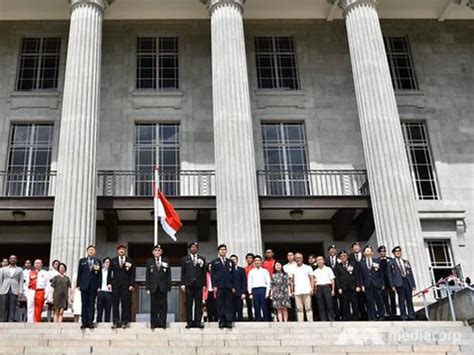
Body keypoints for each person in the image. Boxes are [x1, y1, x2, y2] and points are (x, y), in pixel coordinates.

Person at [180, 242, 206, 328]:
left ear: (197, 248)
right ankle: (190, 322)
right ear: (189, 249)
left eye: (195, 247)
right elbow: (183, 272)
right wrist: (183, 284)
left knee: (198, 303)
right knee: (189, 303)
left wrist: (204, 284)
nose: (193, 248)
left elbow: (203, 273)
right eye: (192, 247)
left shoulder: (202, 258)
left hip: (198, 283)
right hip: (188, 283)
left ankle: (198, 321)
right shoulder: (185, 259)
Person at [109, 243, 135, 329]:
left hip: (126, 286)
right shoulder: (113, 261)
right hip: (115, 286)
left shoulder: (129, 261)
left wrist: (131, 284)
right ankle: (115, 322)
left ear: (125, 251)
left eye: (123, 249)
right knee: (115, 304)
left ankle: (124, 321)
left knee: (125, 304)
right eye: (120, 249)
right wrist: (109, 283)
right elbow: (110, 273)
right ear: (117, 251)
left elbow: (132, 274)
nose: (121, 250)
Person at [146, 245, 171, 329]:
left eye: (159, 250)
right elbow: (147, 276)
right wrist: (147, 287)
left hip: (163, 287)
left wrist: (169, 286)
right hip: (153, 287)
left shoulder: (166, 261)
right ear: (153, 252)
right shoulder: (149, 261)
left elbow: (168, 275)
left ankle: (162, 323)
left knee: (163, 306)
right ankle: (154, 323)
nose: (157, 252)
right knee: (154, 306)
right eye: (155, 250)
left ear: (161, 252)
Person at [76, 245, 102, 329]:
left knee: (91, 303)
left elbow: (99, 275)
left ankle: (90, 321)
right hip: (84, 285)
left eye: (93, 250)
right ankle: (84, 322)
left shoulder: (98, 261)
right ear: (87, 251)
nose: (91, 251)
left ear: (95, 252)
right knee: (84, 304)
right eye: (90, 250)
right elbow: (79, 273)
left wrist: (99, 286)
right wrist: (78, 284)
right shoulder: (82, 261)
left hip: (93, 286)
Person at [388, 246, 416, 321]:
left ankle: (411, 315)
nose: (398, 253)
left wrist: (413, 284)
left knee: (409, 299)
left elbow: (410, 274)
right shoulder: (391, 263)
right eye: (396, 252)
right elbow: (390, 275)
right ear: (394, 253)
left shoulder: (406, 262)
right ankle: (403, 316)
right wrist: (392, 285)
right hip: (398, 283)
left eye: (399, 251)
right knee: (401, 299)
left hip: (407, 281)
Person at [211, 244, 234, 329]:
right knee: (220, 304)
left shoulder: (230, 262)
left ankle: (228, 321)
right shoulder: (215, 262)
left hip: (228, 286)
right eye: (221, 250)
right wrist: (214, 285)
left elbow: (233, 274)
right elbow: (212, 275)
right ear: (218, 251)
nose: (223, 251)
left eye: (224, 250)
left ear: (226, 251)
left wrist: (233, 286)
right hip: (219, 286)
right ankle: (221, 320)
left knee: (228, 304)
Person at [359, 245, 385, 321]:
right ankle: (372, 317)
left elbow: (381, 273)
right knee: (369, 302)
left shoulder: (377, 261)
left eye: (369, 250)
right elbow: (360, 275)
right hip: (367, 285)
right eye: (366, 250)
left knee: (379, 301)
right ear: (364, 253)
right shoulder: (361, 263)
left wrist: (382, 283)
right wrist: (362, 285)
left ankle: (381, 317)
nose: (367, 252)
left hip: (377, 284)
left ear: (372, 252)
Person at [334, 250, 361, 320]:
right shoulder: (337, 266)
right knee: (345, 305)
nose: (343, 257)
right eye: (341, 256)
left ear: (347, 256)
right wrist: (339, 288)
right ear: (339, 258)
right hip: (344, 289)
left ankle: (356, 319)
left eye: (345, 256)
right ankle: (347, 319)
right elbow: (337, 278)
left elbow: (357, 275)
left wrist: (358, 285)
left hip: (353, 287)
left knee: (355, 304)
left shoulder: (352, 264)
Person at [290, 253, 314, 322]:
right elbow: (291, 281)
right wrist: (292, 291)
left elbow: (311, 278)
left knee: (308, 307)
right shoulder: (293, 269)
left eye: (299, 258)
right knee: (299, 308)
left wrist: (312, 288)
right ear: (295, 259)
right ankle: (301, 323)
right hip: (297, 291)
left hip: (307, 290)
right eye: (297, 258)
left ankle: (310, 322)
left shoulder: (308, 267)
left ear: (302, 258)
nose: (298, 259)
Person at [247, 255, 271, 321]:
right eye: (256, 261)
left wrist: (267, 293)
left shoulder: (265, 271)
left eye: (259, 260)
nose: (257, 262)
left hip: (263, 289)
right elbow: (249, 283)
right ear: (254, 262)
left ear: (261, 262)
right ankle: (258, 320)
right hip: (254, 290)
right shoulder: (251, 271)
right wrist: (250, 293)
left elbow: (268, 282)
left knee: (264, 306)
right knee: (256, 306)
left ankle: (266, 320)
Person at [0, 255, 23, 322]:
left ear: (16, 260)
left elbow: (21, 281)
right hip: (4, 289)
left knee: (13, 306)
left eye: (14, 258)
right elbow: (1, 280)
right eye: (11, 258)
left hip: (15, 289)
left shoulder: (20, 269)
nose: (13, 260)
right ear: (9, 260)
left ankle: (11, 320)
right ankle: (3, 320)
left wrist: (20, 291)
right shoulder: (3, 269)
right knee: (4, 306)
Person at [313, 256, 336, 321]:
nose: (319, 261)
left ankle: (332, 320)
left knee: (329, 305)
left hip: (327, 287)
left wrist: (333, 290)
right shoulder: (315, 271)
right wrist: (315, 290)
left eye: (320, 260)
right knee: (321, 306)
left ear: (323, 261)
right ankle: (323, 321)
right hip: (319, 288)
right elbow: (315, 282)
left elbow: (332, 280)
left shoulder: (328, 269)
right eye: (317, 260)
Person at [378, 245, 396, 319]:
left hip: (390, 281)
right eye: (381, 251)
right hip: (382, 281)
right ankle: (387, 311)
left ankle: (393, 312)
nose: (383, 252)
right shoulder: (377, 260)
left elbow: (394, 271)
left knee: (392, 296)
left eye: (384, 251)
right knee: (384, 297)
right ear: (379, 252)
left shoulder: (390, 259)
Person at [350, 242, 367, 320]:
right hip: (355, 283)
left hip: (365, 282)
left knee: (366, 300)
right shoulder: (350, 257)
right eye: (354, 247)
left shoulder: (365, 256)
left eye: (357, 246)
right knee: (356, 301)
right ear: (352, 249)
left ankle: (367, 316)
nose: (356, 248)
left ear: (360, 248)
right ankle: (357, 317)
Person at [230, 254, 246, 322]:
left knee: (239, 308)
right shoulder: (228, 270)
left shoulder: (241, 270)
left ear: (237, 260)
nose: (233, 261)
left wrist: (243, 292)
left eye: (234, 259)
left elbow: (244, 281)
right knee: (231, 308)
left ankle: (240, 321)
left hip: (239, 292)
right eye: (232, 260)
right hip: (230, 292)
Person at [97, 257, 112, 323]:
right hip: (101, 291)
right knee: (99, 309)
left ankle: (107, 323)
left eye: (109, 262)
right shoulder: (100, 272)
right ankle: (98, 322)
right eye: (106, 262)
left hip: (109, 292)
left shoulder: (112, 272)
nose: (107, 264)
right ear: (103, 264)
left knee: (108, 310)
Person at [283, 252, 297, 321]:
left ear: (294, 256)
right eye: (288, 255)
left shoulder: (297, 265)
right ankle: (290, 318)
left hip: (297, 284)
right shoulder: (285, 266)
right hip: (287, 286)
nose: (290, 257)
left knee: (297, 303)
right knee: (289, 303)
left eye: (291, 255)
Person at [244, 253, 255, 321]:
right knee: (249, 304)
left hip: (254, 287)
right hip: (247, 288)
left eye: (250, 258)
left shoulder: (255, 268)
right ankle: (250, 318)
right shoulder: (244, 269)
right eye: (248, 258)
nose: (249, 259)